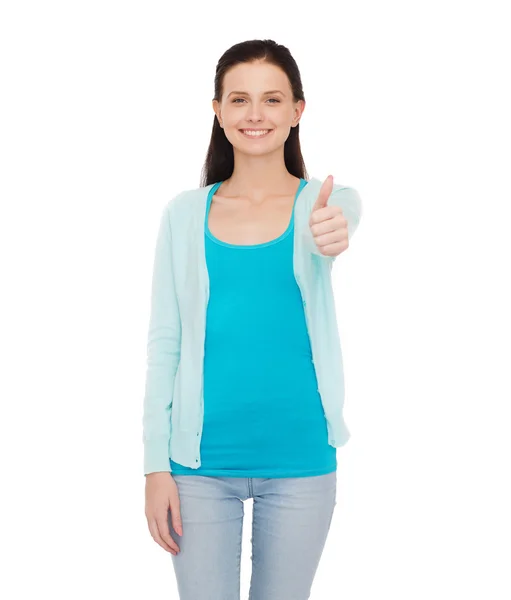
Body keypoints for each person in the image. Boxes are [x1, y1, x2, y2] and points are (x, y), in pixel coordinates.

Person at [142, 38, 363, 600]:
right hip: (197, 466)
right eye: (239, 100)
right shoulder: (184, 215)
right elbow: (165, 345)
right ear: (217, 111)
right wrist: (153, 467)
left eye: (272, 99)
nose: (255, 114)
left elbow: (337, 226)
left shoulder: (325, 204)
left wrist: (331, 235)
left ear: (297, 112)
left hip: (300, 458)